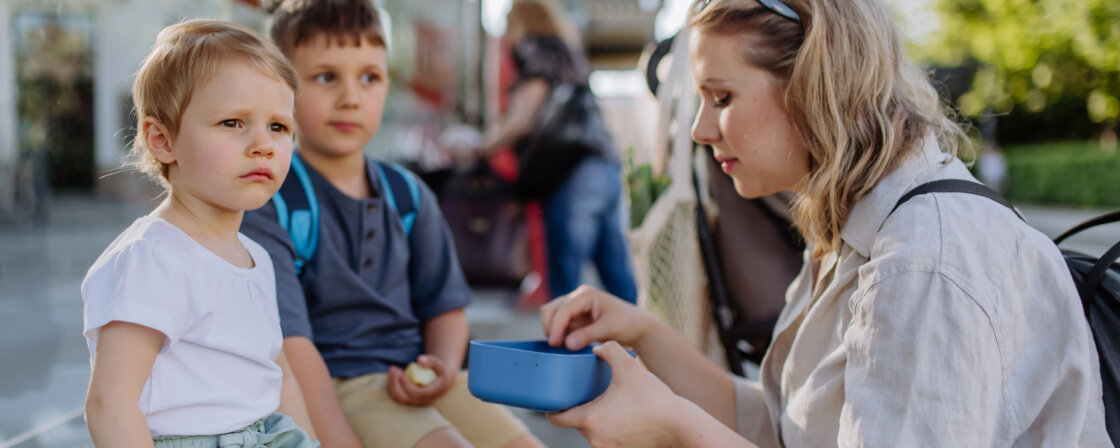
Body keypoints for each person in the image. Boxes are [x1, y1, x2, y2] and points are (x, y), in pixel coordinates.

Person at [538, 0, 1111, 446]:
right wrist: (643, 333)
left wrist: (671, 428)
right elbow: (790, 428)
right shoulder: (862, 225)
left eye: (721, 97)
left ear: (813, 85)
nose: (699, 130)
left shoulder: (921, 266)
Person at [240, 2, 544, 447]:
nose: (351, 97)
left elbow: (445, 305)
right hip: (337, 384)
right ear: (281, 87)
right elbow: (292, 346)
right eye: (326, 77)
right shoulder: (272, 201)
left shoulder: (409, 194)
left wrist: (439, 366)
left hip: (414, 379)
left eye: (370, 77)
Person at [82, 20, 318, 447]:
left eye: (278, 127)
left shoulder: (256, 258)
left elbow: (277, 375)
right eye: (232, 123)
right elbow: (110, 402)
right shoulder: (153, 258)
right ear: (162, 141)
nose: (263, 144)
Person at [481, 0, 638, 303]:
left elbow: (521, 119)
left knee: (566, 280)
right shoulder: (568, 52)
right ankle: (643, 345)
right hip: (605, 163)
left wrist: (482, 145)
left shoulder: (533, 49)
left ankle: (566, 348)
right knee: (617, 273)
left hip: (570, 169)